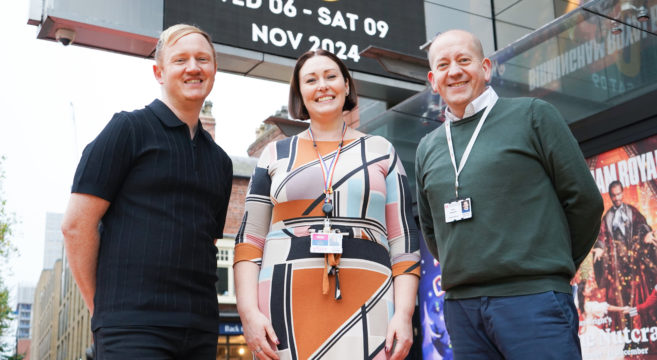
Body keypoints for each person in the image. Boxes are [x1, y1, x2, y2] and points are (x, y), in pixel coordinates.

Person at [415, 29, 604, 359]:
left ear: (486, 68)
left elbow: (585, 201)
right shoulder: (428, 148)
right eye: (443, 65)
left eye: (464, 60)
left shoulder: (533, 115)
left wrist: (553, 264)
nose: (454, 71)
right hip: (463, 311)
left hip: (533, 299)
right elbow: (432, 230)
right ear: (433, 80)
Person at [233, 49, 420, 360]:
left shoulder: (381, 150)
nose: (322, 85)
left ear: (346, 86)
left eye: (331, 76)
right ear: (300, 93)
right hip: (284, 301)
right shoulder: (274, 154)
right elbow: (249, 241)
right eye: (311, 79)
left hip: (371, 300)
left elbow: (404, 240)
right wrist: (249, 313)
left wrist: (403, 313)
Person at [61, 24, 232, 359]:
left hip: (200, 330)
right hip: (132, 327)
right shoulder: (127, 130)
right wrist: (103, 309)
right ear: (159, 71)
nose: (193, 67)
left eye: (202, 59)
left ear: (214, 70)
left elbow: (208, 243)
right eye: (180, 59)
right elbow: (76, 226)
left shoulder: (221, 162)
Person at [592, 180, 657, 329]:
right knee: (619, 300)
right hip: (616, 269)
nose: (617, 198)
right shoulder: (607, 217)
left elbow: (642, 225)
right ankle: (623, 330)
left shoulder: (632, 211)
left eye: (619, 194)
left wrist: (646, 234)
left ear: (623, 193)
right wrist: (600, 248)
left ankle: (640, 330)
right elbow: (601, 236)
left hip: (634, 265)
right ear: (610, 196)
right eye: (614, 196)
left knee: (638, 296)